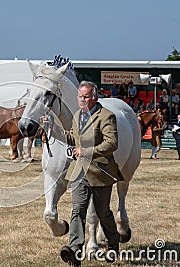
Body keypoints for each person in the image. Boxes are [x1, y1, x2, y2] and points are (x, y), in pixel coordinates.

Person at [58, 81, 121, 266]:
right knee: (78, 210)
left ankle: (113, 243)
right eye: (80, 96)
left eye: (86, 97)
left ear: (95, 98)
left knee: (103, 213)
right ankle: (75, 251)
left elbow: (112, 143)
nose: (82, 100)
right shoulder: (77, 115)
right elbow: (72, 136)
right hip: (79, 172)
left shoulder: (107, 116)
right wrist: (52, 129)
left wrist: (88, 151)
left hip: (100, 172)